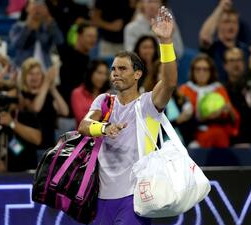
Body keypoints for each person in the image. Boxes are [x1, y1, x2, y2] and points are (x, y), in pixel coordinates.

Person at [78, 6, 177, 225]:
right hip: (100, 198)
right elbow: (84, 126)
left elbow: (169, 82)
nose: (115, 74)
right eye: (113, 69)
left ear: (137, 74)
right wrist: (104, 128)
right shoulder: (104, 101)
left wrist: (166, 42)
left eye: (122, 69)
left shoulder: (148, 103)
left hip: (134, 198)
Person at [179, 54, 240, 148]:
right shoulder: (184, 90)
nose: (201, 73)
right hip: (192, 136)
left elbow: (234, 118)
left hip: (219, 133)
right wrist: (205, 118)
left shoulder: (219, 89)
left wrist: (228, 110)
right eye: (198, 69)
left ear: (211, 71)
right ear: (192, 71)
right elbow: (181, 119)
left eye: (205, 69)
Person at [20, 57, 69, 149]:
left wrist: (53, 88)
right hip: (31, 147)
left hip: (50, 146)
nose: (35, 77)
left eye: (38, 73)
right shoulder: (22, 95)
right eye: (31, 74)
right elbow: (36, 108)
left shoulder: (47, 94)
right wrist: (46, 82)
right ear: (24, 76)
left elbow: (64, 111)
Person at [199, 0, 250, 81]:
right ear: (218, 25)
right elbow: (205, 36)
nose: (231, 26)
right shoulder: (212, 49)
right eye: (227, 22)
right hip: (216, 92)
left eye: (234, 22)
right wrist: (221, 7)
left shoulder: (246, 50)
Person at [9, 0, 64, 69]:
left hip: (45, 66)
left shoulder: (47, 26)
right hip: (24, 68)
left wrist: (50, 22)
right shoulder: (17, 27)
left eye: (40, 5)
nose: (37, 8)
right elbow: (17, 45)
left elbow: (60, 41)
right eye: (34, 4)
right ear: (27, 8)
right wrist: (28, 28)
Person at [71, 59, 110, 125]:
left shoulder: (108, 95)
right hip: (85, 133)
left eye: (105, 74)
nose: (103, 77)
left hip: (105, 134)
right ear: (90, 73)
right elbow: (82, 119)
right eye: (99, 73)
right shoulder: (77, 93)